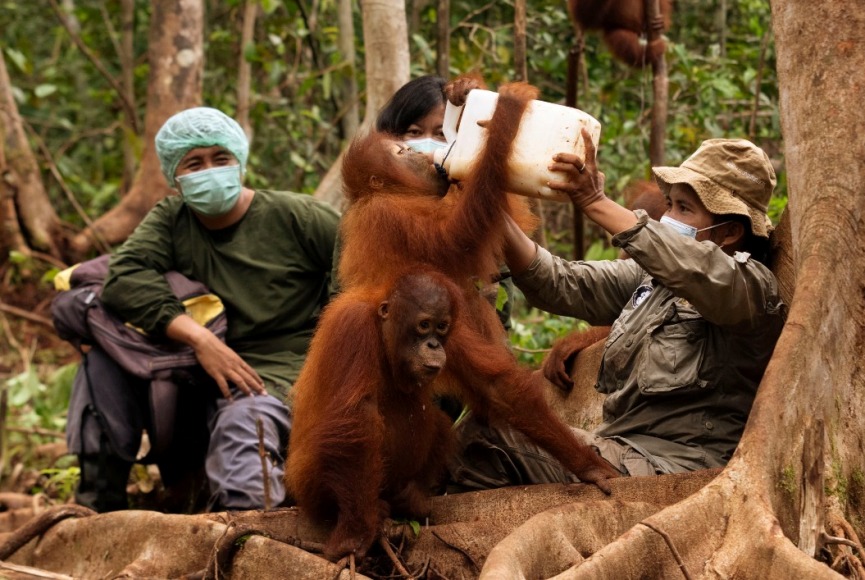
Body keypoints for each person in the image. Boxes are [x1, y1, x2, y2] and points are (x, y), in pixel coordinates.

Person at [448, 133, 785, 488]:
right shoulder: (652, 280)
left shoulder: (749, 289)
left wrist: (594, 201)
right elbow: (559, 282)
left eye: (683, 208)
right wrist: (485, 201)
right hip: (620, 451)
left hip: (681, 471)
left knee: (492, 432)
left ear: (729, 232)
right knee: (476, 432)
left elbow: (695, 269)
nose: (667, 217)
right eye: (669, 204)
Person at [65, 107, 340, 512]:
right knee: (101, 368)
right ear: (175, 177)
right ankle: (98, 506)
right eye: (194, 163)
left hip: (282, 369)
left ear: (240, 162)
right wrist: (198, 337)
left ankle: (253, 538)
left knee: (246, 424)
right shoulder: (172, 220)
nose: (210, 170)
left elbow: (359, 283)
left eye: (220, 158)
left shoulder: (297, 217)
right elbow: (123, 278)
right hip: (197, 366)